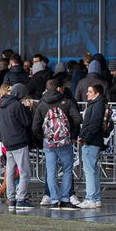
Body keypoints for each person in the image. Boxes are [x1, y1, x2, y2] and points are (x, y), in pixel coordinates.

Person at [32, 79, 82, 210]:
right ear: (59, 88)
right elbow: (78, 119)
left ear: (46, 88)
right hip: (65, 141)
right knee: (67, 169)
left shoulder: (42, 104)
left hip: (49, 142)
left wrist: (42, 136)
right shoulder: (66, 102)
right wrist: (70, 133)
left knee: (51, 170)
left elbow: (35, 126)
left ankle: (54, 199)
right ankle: (65, 198)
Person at [77, 83, 107, 209]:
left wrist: (85, 138)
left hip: (91, 142)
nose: (87, 93)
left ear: (97, 93)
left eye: (90, 91)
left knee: (90, 171)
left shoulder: (97, 105)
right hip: (93, 141)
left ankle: (91, 198)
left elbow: (93, 124)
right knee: (92, 171)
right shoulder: (97, 104)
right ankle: (95, 197)